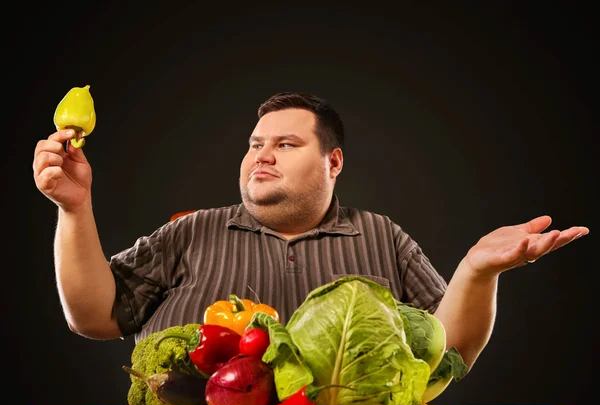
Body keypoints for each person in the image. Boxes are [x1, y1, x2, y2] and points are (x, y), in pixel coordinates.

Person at [32, 91, 589, 370]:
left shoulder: (381, 235)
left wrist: (477, 271)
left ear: (334, 161)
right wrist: (75, 210)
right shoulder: (189, 232)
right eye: (255, 145)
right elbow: (93, 317)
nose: (262, 156)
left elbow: (446, 352)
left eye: (285, 144)